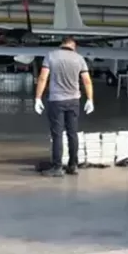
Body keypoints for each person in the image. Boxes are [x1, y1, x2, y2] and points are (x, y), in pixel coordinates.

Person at [34, 36, 94, 177]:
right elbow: (87, 81)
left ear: (62, 44)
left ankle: (57, 167)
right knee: (72, 134)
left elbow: (43, 78)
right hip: (74, 101)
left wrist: (38, 98)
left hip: (57, 101)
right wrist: (90, 99)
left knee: (57, 135)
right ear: (74, 46)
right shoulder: (79, 58)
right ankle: (73, 166)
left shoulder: (51, 56)